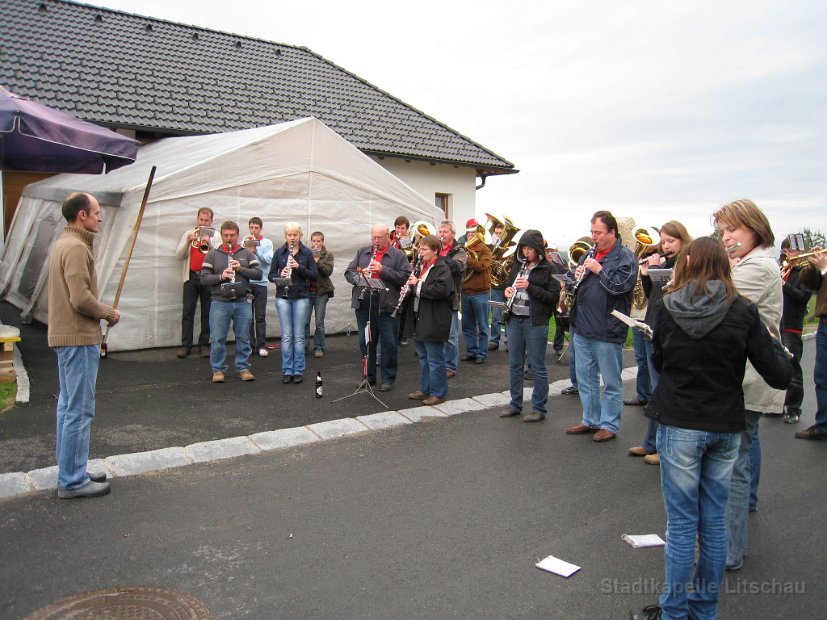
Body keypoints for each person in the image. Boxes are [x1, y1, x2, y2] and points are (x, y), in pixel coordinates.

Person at [631, 236, 791, 620]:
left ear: (686, 263)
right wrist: (779, 345)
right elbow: (780, 375)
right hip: (724, 424)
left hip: (681, 422)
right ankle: (704, 611)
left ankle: (672, 612)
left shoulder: (667, 308)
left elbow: (661, 360)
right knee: (714, 522)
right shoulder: (743, 311)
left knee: (683, 524)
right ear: (724, 265)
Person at [710, 199, 784, 569]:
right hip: (742, 375)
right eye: (722, 232)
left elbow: (716, 302)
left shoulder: (758, 268)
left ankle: (729, 550)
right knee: (742, 451)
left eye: (732, 231)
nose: (725, 238)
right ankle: (743, 514)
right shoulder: (744, 264)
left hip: (747, 377)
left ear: (753, 229)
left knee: (732, 465)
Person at [48, 192, 120, 498]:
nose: (100, 217)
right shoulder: (76, 248)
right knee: (79, 409)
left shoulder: (64, 243)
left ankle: (72, 470)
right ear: (81, 215)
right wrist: (108, 312)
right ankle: (73, 480)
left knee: (68, 406)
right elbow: (80, 298)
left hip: (67, 336)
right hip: (78, 337)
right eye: (96, 213)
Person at [564, 211, 637, 442]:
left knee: (611, 381)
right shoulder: (589, 253)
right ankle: (590, 419)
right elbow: (580, 288)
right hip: (583, 327)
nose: (594, 237)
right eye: (592, 232)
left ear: (612, 232)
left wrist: (599, 270)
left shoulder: (626, 257)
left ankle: (610, 424)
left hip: (607, 329)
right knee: (585, 378)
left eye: (598, 233)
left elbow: (621, 287)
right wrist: (573, 278)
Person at [628, 220, 692, 465]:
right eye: (663, 241)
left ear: (683, 241)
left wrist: (656, 273)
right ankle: (650, 442)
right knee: (657, 394)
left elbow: (671, 297)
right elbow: (654, 296)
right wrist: (646, 275)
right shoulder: (666, 263)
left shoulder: (683, 266)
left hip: (665, 333)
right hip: (651, 326)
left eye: (671, 241)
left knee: (662, 392)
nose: (665, 246)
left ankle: (664, 448)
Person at [499, 229, 560, 422]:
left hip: (535, 322)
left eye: (530, 249)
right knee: (515, 365)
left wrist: (530, 287)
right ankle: (515, 404)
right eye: (524, 248)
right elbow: (508, 287)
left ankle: (539, 408)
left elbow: (553, 297)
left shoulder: (549, 269)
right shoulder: (518, 266)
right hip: (515, 319)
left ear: (538, 249)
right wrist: (507, 291)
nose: (526, 252)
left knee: (537, 367)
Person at [344, 223, 411, 391]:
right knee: (366, 341)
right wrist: (360, 274)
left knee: (388, 342)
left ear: (388, 236)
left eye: (379, 237)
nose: (376, 241)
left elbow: (404, 278)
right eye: (373, 237)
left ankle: (388, 378)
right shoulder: (363, 252)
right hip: (364, 300)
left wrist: (383, 269)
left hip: (386, 302)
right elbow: (348, 272)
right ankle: (369, 377)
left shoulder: (398, 255)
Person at [201, 221, 262, 383]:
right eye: (226, 235)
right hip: (220, 301)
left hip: (242, 301)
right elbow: (204, 278)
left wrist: (240, 268)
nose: (229, 239)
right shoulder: (212, 254)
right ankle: (218, 370)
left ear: (238, 235)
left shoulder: (247, 253)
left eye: (232, 235)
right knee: (218, 337)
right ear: (221, 235)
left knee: (243, 337)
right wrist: (221, 276)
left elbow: (258, 274)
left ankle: (243, 368)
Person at [403, 234, 454, 406]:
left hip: (434, 318)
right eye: (420, 248)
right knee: (424, 357)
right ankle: (425, 389)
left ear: (435, 251)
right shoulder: (421, 266)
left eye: (424, 249)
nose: (420, 252)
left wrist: (417, 284)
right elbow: (417, 288)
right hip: (420, 316)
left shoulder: (441, 268)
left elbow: (440, 290)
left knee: (435, 359)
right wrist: (409, 287)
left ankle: (438, 393)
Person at [269, 222, 317, 384]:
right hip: (283, 296)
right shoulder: (279, 252)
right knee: (287, 336)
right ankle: (287, 370)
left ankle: (298, 370)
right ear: (285, 236)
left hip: (301, 296)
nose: (292, 237)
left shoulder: (306, 253)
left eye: (295, 234)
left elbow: (314, 275)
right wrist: (280, 274)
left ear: (300, 235)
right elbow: (270, 275)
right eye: (289, 234)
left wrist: (298, 267)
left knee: (299, 335)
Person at [175, 207, 220, 358]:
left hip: (208, 278)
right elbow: (179, 255)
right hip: (192, 277)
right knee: (188, 312)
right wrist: (187, 243)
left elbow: (221, 257)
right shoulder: (189, 233)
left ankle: (204, 345)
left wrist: (210, 243)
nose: (203, 223)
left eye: (206, 220)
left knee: (207, 312)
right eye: (201, 220)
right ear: (197, 219)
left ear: (211, 221)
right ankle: (186, 345)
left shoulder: (216, 235)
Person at [779, 236, 814, 424]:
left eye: (795, 250)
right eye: (789, 250)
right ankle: (775, 404)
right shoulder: (782, 269)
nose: (793, 254)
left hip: (792, 324)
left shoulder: (804, 273)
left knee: (793, 369)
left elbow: (803, 297)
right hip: (776, 323)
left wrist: (783, 285)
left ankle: (793, 408)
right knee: (772, 364)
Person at [795, 245, 827, 440]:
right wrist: (813, 268)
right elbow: (810, 284)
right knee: (822, 377)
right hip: (824, 323)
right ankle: (823, 425)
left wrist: (825, 269)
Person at [438, 220, 467, 378]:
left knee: (451, 335)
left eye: (445, 232)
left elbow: (457, 267)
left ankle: (451, 366)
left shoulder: (459, 250)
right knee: (438, 333)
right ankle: (439, 363)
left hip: (451, 296)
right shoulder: (437, 249)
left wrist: (438, 257)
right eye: (440, 232)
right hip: (435, 295)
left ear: (453, 234)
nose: (442, 235)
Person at [461, 230, 493, 364]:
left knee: (483, 326)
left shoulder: (485, 250)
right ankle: (472, 351)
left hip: (480, 293)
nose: (470, 237)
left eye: (473, 235)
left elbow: (482, 266)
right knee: (467, 325)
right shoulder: (463, 249)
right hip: (466, 291)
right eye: (468, 235)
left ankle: (481, 353)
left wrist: (468, 259)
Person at [243, 217, 274, 358]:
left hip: (261, 283)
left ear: (260, 228)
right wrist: (247, 250)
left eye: (256, 227)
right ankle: (249, 345)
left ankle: (261, 345)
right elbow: (241, 260)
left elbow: (269, 260)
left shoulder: (267, 243)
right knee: (248, 316)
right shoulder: (245, 240)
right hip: (248, 282)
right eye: (251, 227)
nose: (254, 230)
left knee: (260, 316)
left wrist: (256, 251)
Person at [304, 231, 334, 359]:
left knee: (319, 322)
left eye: (318, 241)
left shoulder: (328, 255)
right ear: (311, 242)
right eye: (314, 241)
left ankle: (319, 347)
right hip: (307, 291)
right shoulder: (305, 254)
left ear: (322, 242)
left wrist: (317, 262)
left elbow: (328, 271)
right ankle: (304, 347)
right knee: (304, 322)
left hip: (321, 292)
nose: (316, 244)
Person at [545, 243, 568, 358]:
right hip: (547, 296)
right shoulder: (543, 263)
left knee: (560, 322)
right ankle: (539, 346)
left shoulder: (562, 262)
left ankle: (558, 347)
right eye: (548, 251)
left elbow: (567, 275)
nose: (550, 253)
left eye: (552, 251)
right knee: (543, 321)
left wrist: (563, 282)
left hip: (558, 296)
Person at [488, 221, 507, 352]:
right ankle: (494, 340)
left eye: (501, 233)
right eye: (497, 233)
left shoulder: (510, 246)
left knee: (510, 316)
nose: (499, 235)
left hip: (508, 286)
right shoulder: (490, 246)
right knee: (495, 316)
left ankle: (509, 341)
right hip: (496, 286)